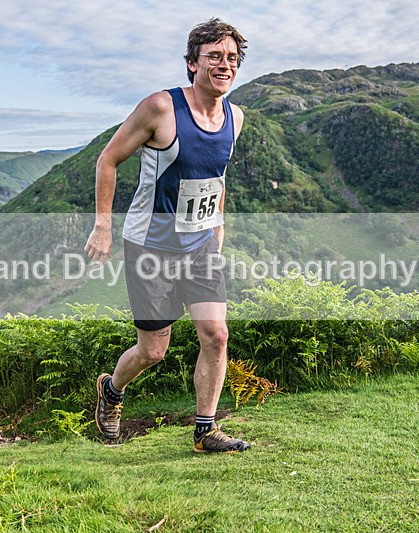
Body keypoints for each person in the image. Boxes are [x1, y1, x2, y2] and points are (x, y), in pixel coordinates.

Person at [84, 18, 250, 453]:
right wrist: (103, 225)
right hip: (150, 244)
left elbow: (216, 176)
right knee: (153, 351)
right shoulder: (160, 107)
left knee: (216, 335)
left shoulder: (236, 116)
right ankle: (111, 390)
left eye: (232, 58)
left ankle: (206, 431)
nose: (224, 64)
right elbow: (107, 160)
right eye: (214, 56)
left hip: (199, 244)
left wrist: (218, 226)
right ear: (193, 62)